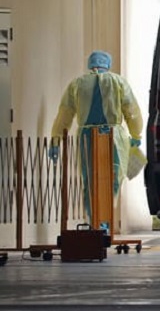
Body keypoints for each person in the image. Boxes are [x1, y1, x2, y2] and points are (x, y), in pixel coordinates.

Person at [49, 50, 144, 227]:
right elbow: (131, 110)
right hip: (113, 138)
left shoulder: (77, 84)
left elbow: (65, 114)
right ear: (108, 63)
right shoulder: (118, 82)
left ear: (90, 64)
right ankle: (105, 222)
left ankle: (95, 221)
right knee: (113, 178)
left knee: (89, 179)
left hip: (87, 137)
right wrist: (136, 134)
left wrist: (55, 140)